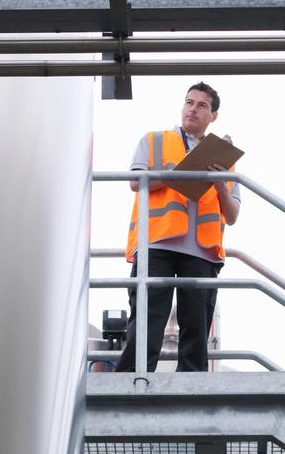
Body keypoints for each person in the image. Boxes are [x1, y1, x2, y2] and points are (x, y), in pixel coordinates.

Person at [115, 82, 241, 373]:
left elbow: (232, 214)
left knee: (196, 327)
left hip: (202, 251)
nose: (192, 109)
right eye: (189, 102)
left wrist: (221, 186)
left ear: (214, 116)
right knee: (148, 320)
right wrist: (177, 173)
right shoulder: (154, 140)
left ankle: (193, 387)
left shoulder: (223, 159)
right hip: (157, 243)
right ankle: (131, 381)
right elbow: (136, 182)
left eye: (201, 105)